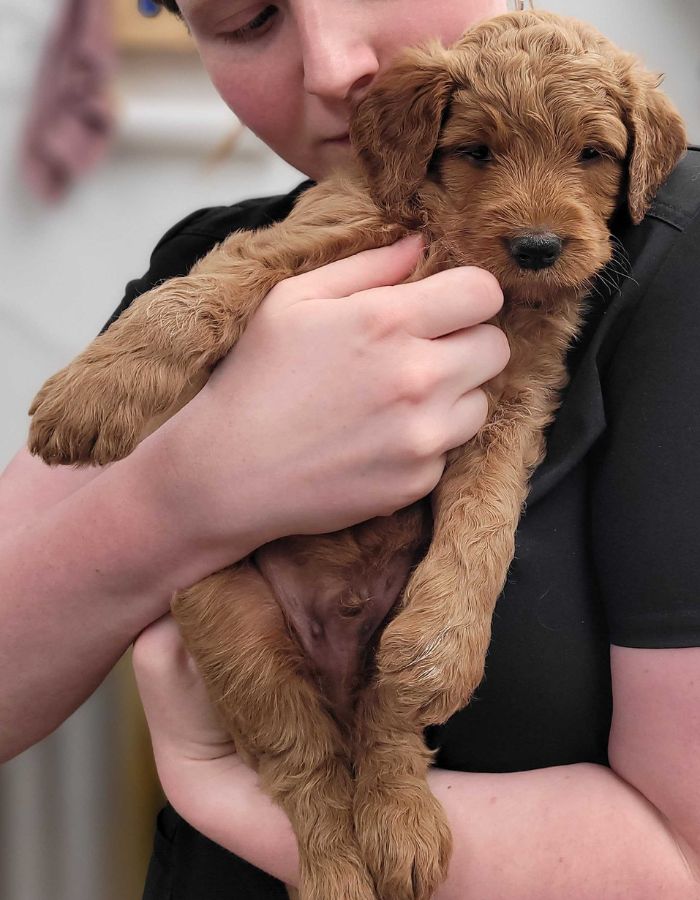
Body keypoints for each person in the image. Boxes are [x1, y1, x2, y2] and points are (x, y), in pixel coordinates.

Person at [1, 0, 699, 897]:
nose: (332, 66)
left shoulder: (672, 272)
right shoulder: (205, 252)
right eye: (247, 17)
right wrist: (178, 498)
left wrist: (234, 791)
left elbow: (682, 859)